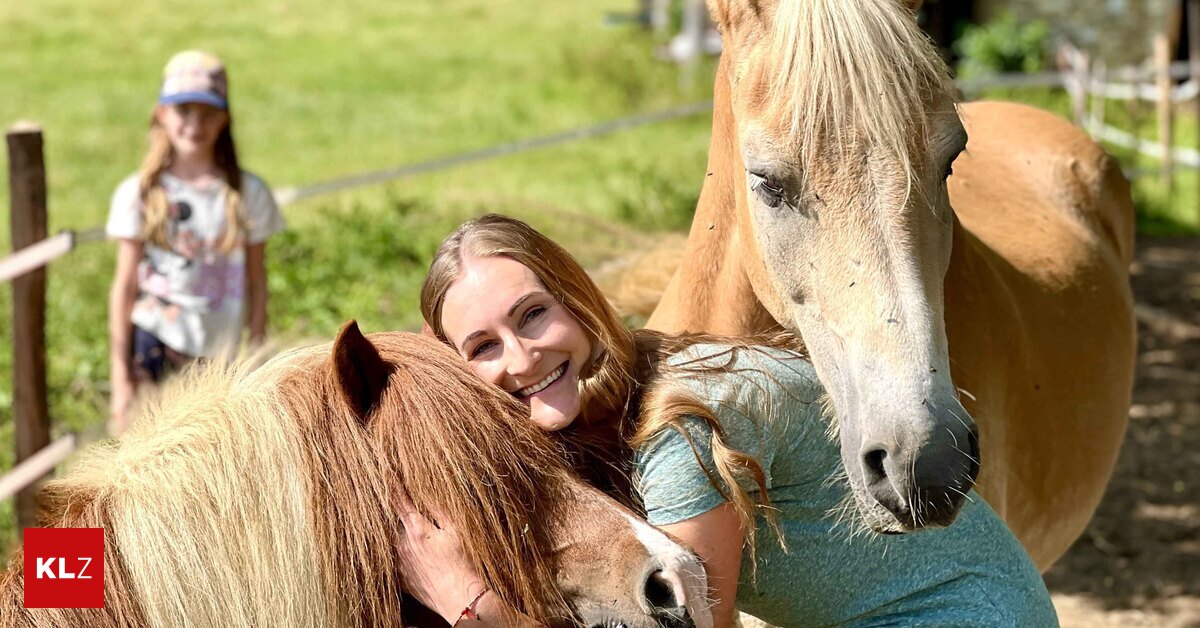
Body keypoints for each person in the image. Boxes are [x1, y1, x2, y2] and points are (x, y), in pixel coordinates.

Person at [411, 214, 1058, 627]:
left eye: (532, 315)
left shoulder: (677, 429)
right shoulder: (623, 386)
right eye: (483, 347)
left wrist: (475, 611)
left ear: (577, 300)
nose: (522, 358)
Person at [106, 50, 284, 434]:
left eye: (207, 114)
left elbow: (257, 281)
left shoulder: (246, 194)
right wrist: (121, 381)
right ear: (161, 115)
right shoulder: (140, 193)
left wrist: (257, 354)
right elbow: (124, 287)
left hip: (218, 356)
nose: (194, 124)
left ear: (224, 120)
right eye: (183, 111)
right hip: (154, 345)